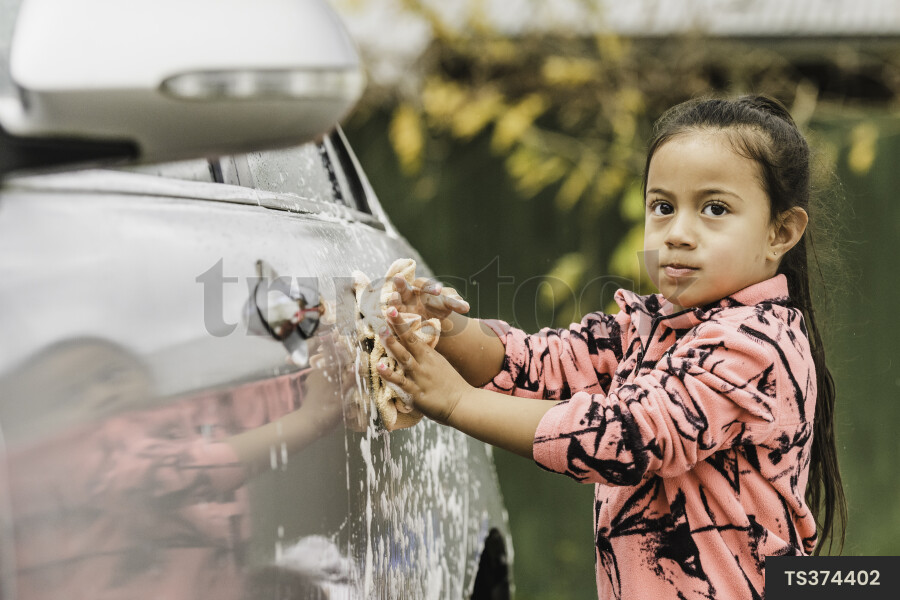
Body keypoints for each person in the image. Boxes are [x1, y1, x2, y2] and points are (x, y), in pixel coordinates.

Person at [375, 95, 847, 599]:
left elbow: (628, 436)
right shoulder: (646, 328)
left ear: (781, 231)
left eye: (715, 209)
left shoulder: (757, 345)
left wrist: (456, 403)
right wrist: (448, 331)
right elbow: (539, 364)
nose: (678, 233)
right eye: (662, 207)